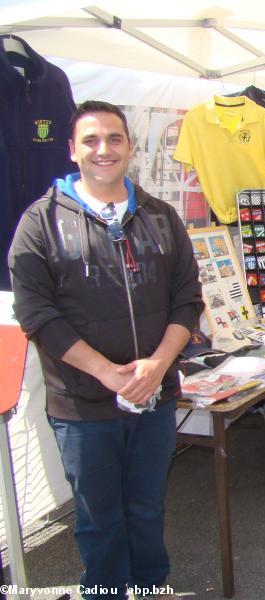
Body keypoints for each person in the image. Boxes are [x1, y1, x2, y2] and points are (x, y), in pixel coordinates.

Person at [8, 100, 204, 600]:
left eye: (114, 139)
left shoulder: (160, 217)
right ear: (72, 150)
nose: (104, 150)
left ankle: (149, 590)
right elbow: (37, 315)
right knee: (99, 519)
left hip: (154, 398)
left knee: (146, 508)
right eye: (91, 140)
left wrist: (158, 366)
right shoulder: (40, 223)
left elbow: (187, 300)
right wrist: (109, 374)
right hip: (81, 405)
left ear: (130, 148)